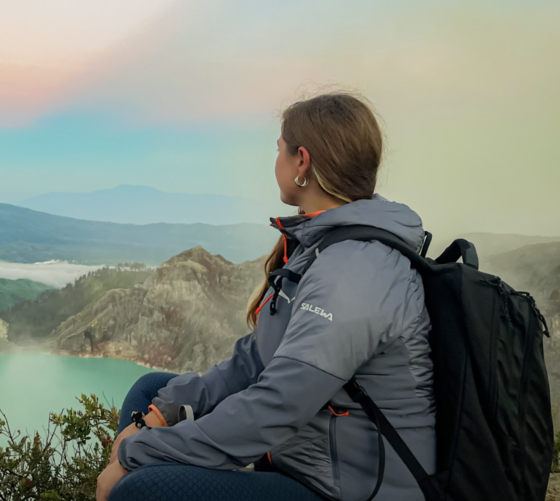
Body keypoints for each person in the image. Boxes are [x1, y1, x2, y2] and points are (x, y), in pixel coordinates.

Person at [96, 92, 436, 501]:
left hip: (349, 490)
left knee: (142, 489)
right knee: (150, 391)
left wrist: (138, 454)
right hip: (307, 461)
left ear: (301, 162)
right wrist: (161, 414)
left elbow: (278, 406)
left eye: (279, 149)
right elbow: (255, 361)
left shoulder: (355, 271)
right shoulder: (322, 247)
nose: (275, 160)